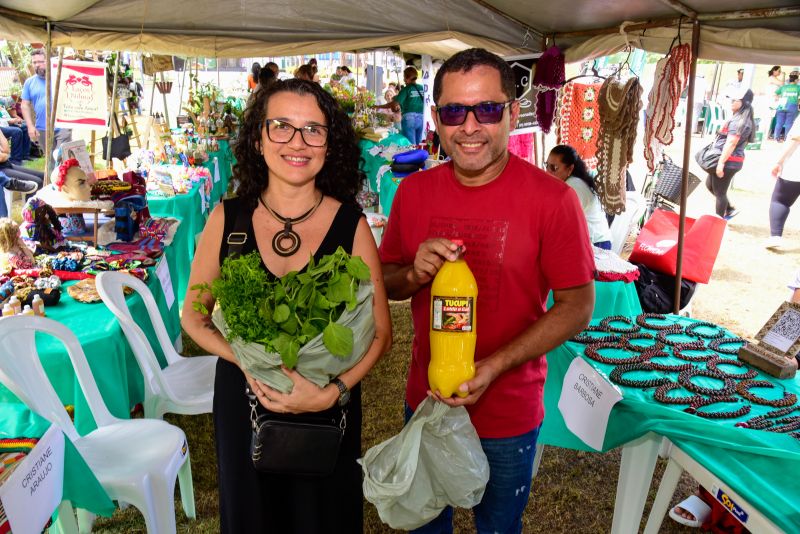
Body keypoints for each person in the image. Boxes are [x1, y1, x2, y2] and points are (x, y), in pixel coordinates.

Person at [379, 48, 595, 533]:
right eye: (455, 111)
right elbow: (387, 281)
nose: (470, 126)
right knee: (425, 523)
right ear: (436, 119)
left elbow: (578, 306)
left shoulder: (554, 201)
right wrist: (414, 274)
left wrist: (494, 366)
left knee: (497, 527)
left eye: (488, 109)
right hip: (428, 397)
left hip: (508, 412)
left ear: (512, 113)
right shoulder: (413, 193)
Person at [181, 78, 391, 533]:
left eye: (313, 130)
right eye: (281, 126)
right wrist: (250, 362)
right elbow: (193, 318)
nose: (298, 142)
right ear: (258, 138)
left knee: (324, 518)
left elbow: (380, 333)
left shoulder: (351, 226)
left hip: (329, 409)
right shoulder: (227, 218)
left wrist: (330, 392)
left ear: (329, 144)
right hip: (244, 405)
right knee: (251, 517)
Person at [546, 145, 612, 249]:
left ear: (570, 168)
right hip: (591, 241)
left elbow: (562, 222)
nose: (548, 172)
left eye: (554, 168)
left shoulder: (573, 186)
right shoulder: (571, 182)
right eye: (547, 166)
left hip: (597, 244)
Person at [705, 87, 756, 219]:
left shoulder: (741, 121)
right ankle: (729, 209)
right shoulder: (739, 118)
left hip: (729, 161)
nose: (731, 102)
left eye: (735, 100)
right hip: (728, 159)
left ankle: (718, 221)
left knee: (720, 192)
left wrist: (721, 163)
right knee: (710, 186)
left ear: (744, 102)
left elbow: (732, 143)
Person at [21, 48, 72, 171]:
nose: (37, 65)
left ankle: (66, 185)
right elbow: (25, 105)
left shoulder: (60, 77)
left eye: (41, 61)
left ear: (48, 61)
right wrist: (30, 126)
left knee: (63, 158)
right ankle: (53, 186)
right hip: (42, 128)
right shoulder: (29, 82)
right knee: (50, 161)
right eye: (34, 62)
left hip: (62, 125)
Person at [765, 118, 800, 249]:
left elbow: (795, 139)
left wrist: (779, 161)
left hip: (796, 167)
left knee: (780, 200)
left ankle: (775, 236)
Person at [376, 66, 425, 145]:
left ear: (407, 78)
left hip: (409, 119)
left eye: (404, 77)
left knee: (410, 145)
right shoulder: (422, 88)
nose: (403, 80)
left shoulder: (406, 89)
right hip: (421, 118)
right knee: (419, 145)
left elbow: (394, 104)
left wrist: (378, 107)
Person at [774, 73, 799, 142]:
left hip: (782, 105)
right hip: (792, 106)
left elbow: (775, 93)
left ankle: (776, 138)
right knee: (789, 123)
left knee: (779, 122)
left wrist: (778, 99)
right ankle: (786, 139)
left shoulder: (783, 87)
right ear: (796, 80)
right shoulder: (798, 87)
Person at [766, 66, 784, 139]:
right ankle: (766, 135)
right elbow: (782, 84)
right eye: (779, 71)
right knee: (769, 117)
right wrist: (783, 75)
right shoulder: (771, 78)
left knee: (772, 117)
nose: (780, 73)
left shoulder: (775, 79)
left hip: (775, 100)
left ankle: (768, 133)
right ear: (774, 71)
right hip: (771, 100)